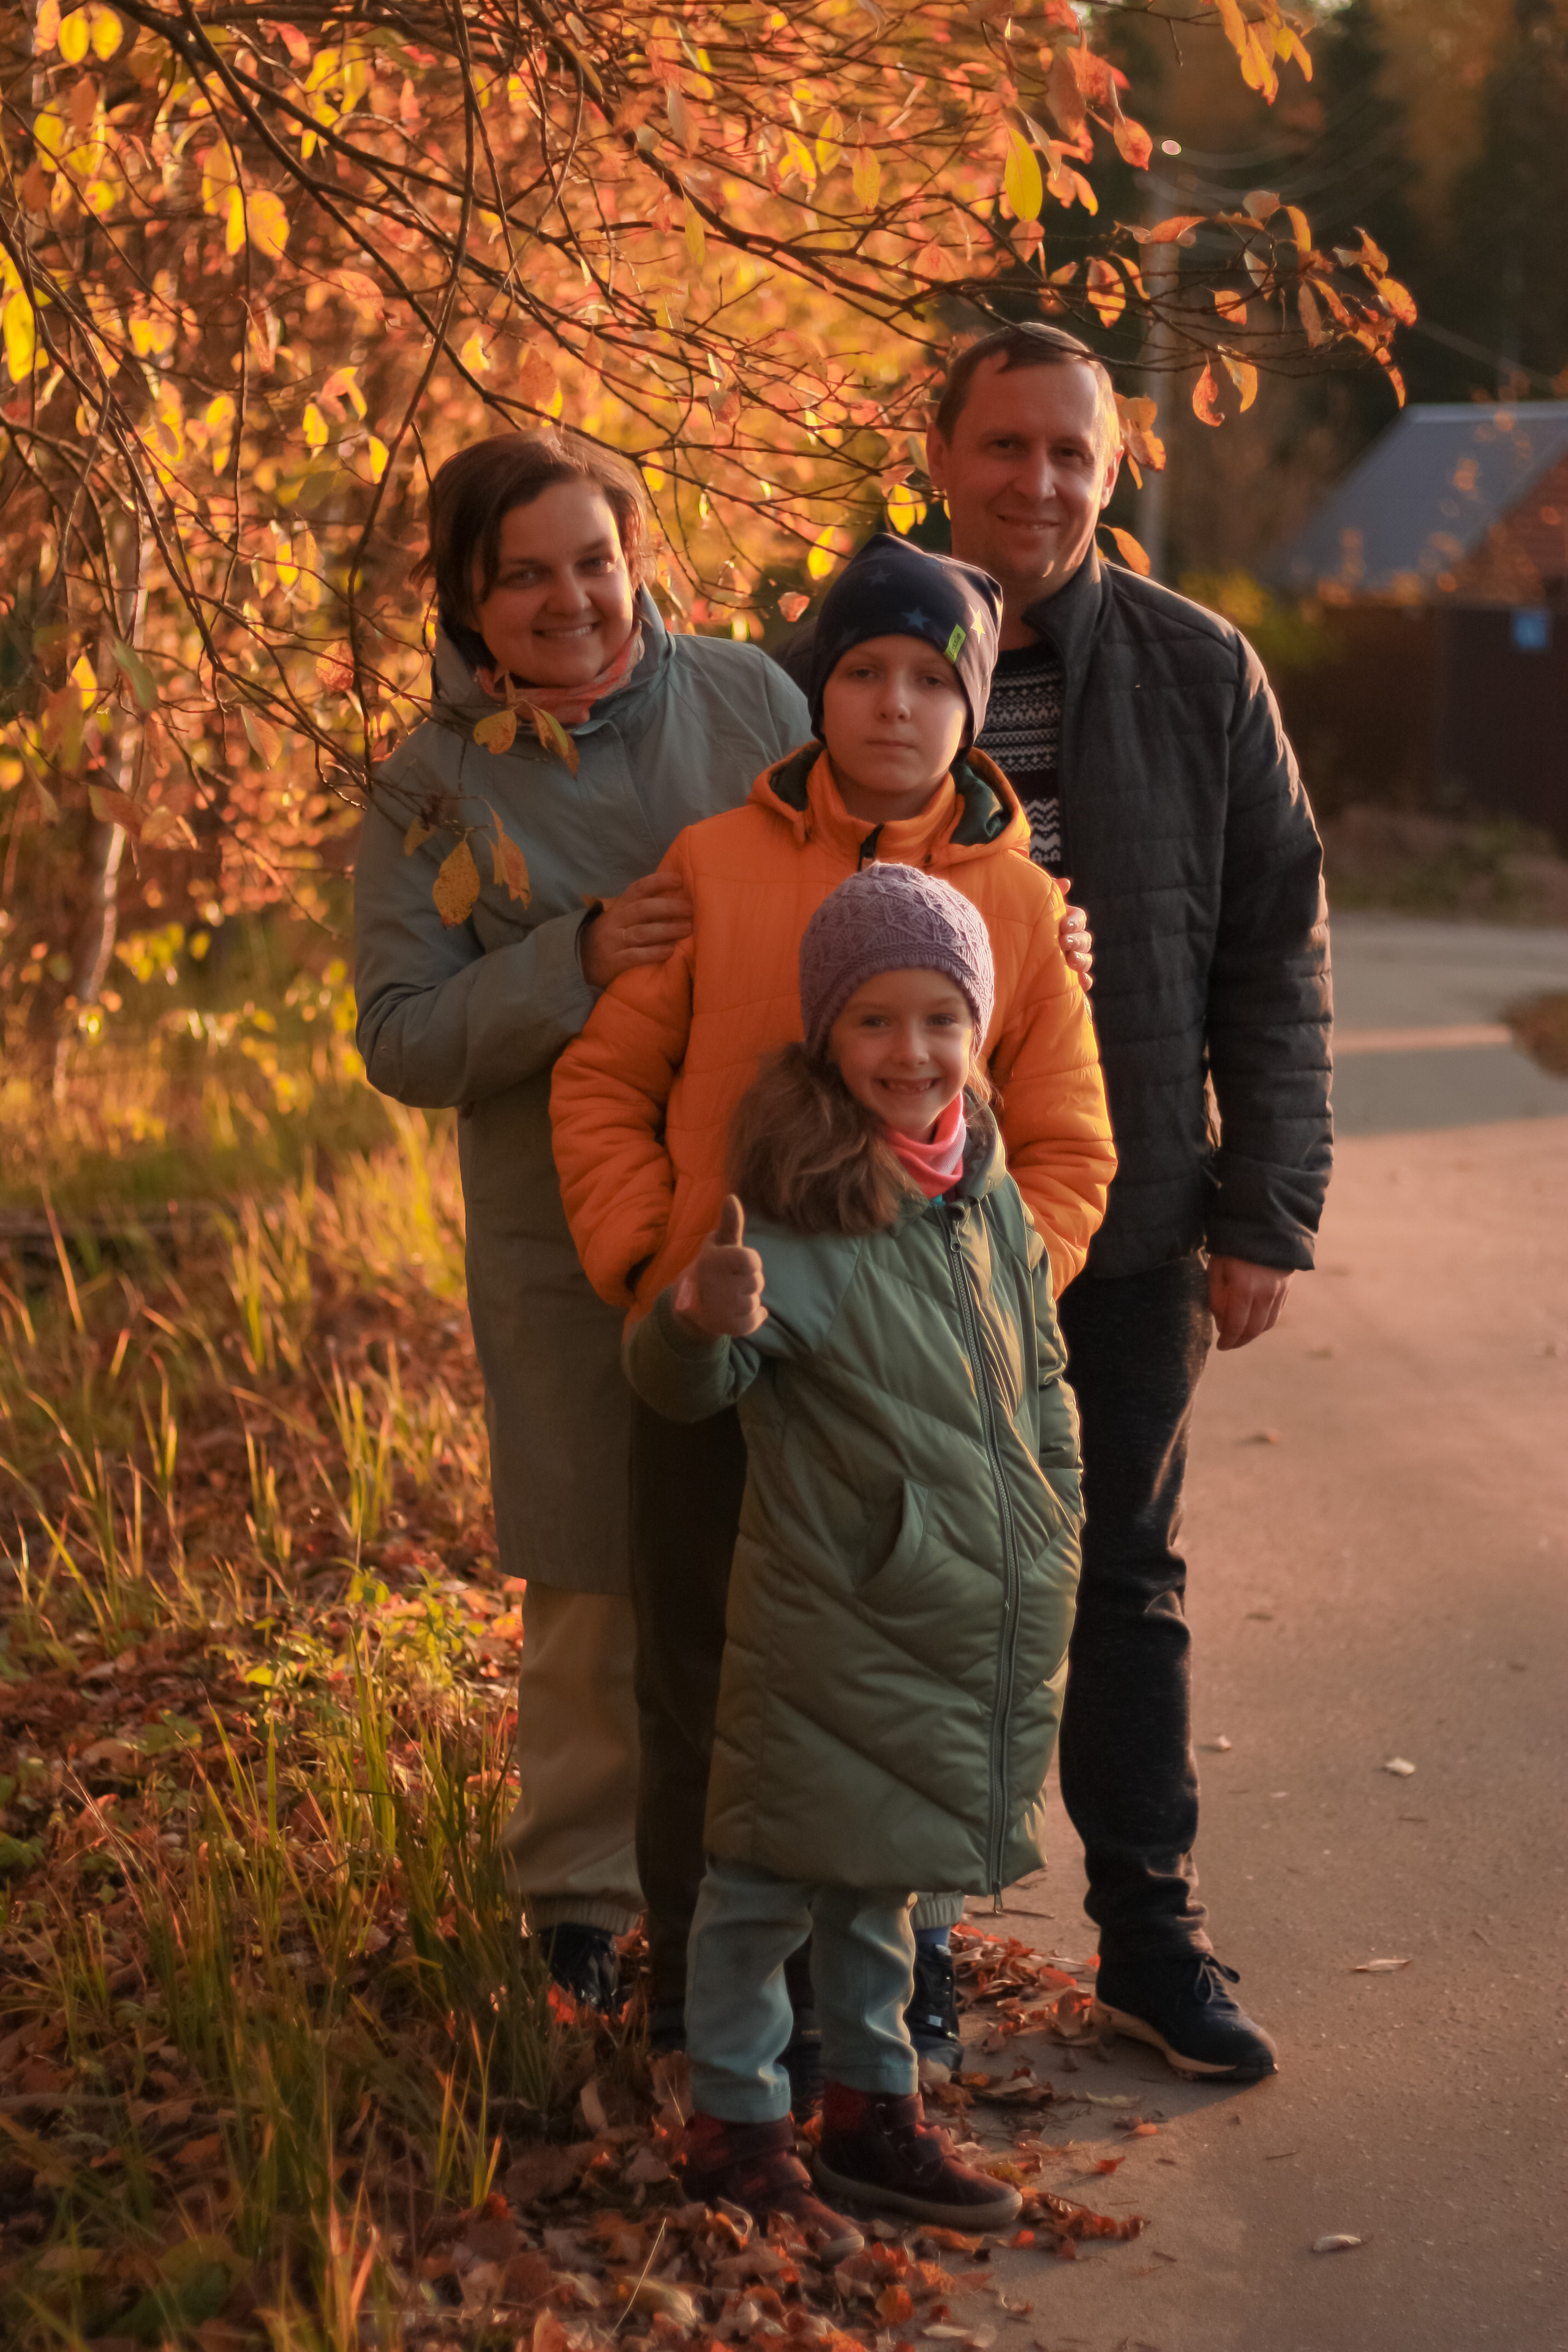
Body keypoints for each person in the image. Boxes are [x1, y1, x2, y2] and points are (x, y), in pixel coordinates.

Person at [780, 323, 1332, 2081]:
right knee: (910, 1578)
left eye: (1071, 455)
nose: (1039, 483)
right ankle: (911, 1948)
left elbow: (1274, 952)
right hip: (876, 1217)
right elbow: (759, 848)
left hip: (1134, 1207)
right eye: (1005, 447)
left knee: (1125, 1576)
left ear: (1113, 470)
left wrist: (1272, 1205)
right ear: (940, 453)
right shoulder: (843, 648)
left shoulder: (1199, 669)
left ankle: (1151, 1940)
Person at [550, 532, 1115, 2059]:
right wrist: (646, 1259)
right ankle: (694, 1999)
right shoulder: (716, 864)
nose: (889, 704)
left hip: (902, 1400)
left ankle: (888, 1990)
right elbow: (603, 1080)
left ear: (970, 707)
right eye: (860, 670)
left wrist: (973, 1305)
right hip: (720, 1356)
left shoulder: (1013, 903)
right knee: (699, 1672)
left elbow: (1065, 1147)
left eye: (929, 678)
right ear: (819, 692)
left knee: (899, 1676)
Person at [352, 429, 810, 2006]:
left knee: (783, 1556)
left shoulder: (748, 699)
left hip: (779, 1212)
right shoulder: (429, 784)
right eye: (527, 576)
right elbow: (402, 1034)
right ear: (471, 607)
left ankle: (784, 1892)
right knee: (595, 1577)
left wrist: (1015, 921)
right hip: (566, 1234)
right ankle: (578, 1912)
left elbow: (877, 860)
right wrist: (579, 960)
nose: (573, 601)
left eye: (595, 562)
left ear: (639, 559)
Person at [623, 865, 1082, 2244]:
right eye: (874, 1022)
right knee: (764, 1882)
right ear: (828, 1034)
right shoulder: (795, 1207)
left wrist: (1055, 1507)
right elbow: (680, 1390)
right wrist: (695, 1317)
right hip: (829, 1611)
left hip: (952, 1604)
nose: (909, 1052)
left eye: (939, 1020)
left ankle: (872, 2116)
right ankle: (733, 2124)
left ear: (976, 1032)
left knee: (886, 1876)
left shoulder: (983, 1188)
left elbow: (1039, 1376)